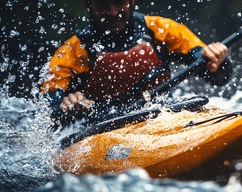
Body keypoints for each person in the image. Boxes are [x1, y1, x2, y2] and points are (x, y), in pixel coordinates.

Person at [41, 0, 232, 121]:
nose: (113, 11)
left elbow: (217, 77)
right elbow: (47, 109)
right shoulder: (72, 51)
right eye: (103, 5)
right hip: (98, 128)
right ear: (87, 4)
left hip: (159, 117)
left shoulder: (160, 30)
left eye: (118, 2)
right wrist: (66, 106)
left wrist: (217, 61)